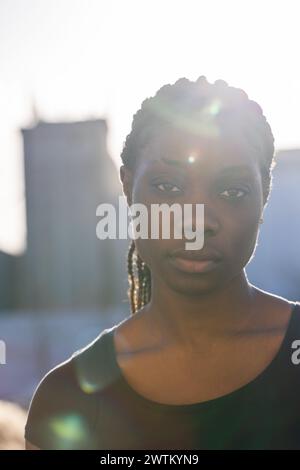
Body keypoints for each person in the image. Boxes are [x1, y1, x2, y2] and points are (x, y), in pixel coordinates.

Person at [25, 76, 300, 450]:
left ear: (263, 200)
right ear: (127, 188)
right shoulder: (68, 398)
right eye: (168, 187)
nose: (196, 221)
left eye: (232, 191)